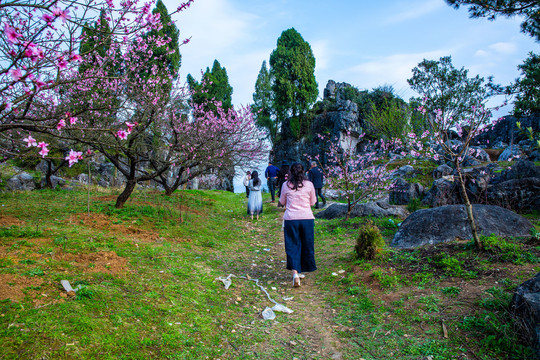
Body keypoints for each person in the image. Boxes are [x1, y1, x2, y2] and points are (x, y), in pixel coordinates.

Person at [279, 162, 317, 287]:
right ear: (303, 171)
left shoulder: (286, 185)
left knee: (292, 244)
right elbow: (313, 202)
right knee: (306, 244)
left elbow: (282, 201)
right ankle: (301, 270)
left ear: (291, 172)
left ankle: (295, 272)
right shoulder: (309, 185)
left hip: (291, 219)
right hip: (307, 218)